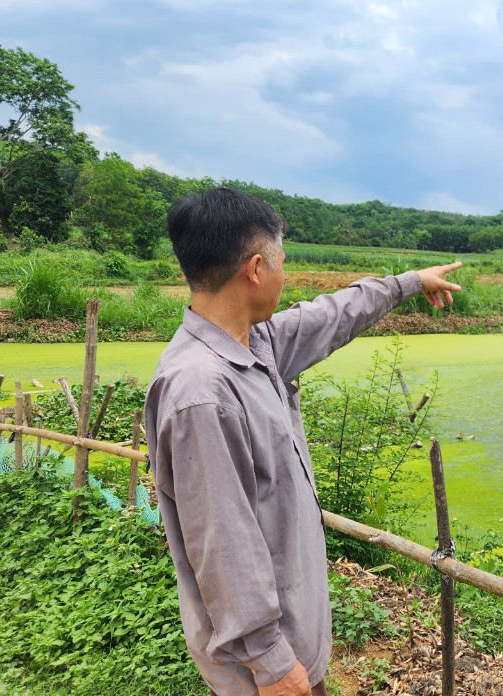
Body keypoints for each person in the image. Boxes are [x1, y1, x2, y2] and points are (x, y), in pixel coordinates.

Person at [144, 187, 461, 696]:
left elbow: (333, 314)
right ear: (255, 269)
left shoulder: (258, 343)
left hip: (294, 640)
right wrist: (270, 662)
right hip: (265, 670)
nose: (285, 275)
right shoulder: (202, 392)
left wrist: (408, 283)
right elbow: (222, 542)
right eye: (281, 263)